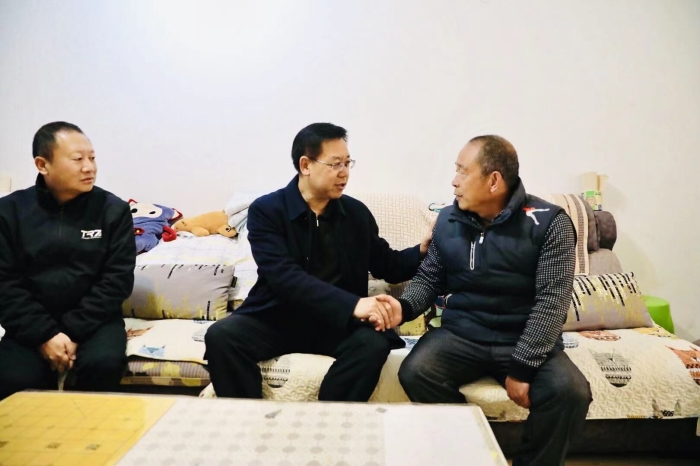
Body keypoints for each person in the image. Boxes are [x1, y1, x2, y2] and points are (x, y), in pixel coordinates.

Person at [382, 135, 592, 465]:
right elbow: (429, 278)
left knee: (570, 392)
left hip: (522, 336)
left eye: (462, 171)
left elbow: (552, 301)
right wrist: (403, 307)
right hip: (462, 334)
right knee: (416, 372)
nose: (454, 181)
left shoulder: (550, 223)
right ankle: (474, 453)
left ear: (494, 181)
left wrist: (522, 367)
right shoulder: (448, 221)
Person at [205, 122, 431, 401]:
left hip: (337, 323)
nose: (344, 172)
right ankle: (249, 417)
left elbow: (388, 265)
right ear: (305, 165)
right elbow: (284, 278)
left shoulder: (356, 213)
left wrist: (422, 250)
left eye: (347, 163)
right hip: (277, 317)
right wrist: (355, 304)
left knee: (373, 343)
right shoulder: (267, 211)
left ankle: (328, 417)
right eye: (335, 164)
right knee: (222, 336)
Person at [0, 122, 136, 400]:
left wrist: (71, 332)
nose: (89, 167)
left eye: (92, 158)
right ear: (42, 164)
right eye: (77, 159)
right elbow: (5, 284)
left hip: (96, 322)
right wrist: (45, 335)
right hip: (30, 324)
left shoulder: (113, 210)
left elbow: (117, 280)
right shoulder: (9, 212)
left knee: (104, 364)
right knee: (14, 378)